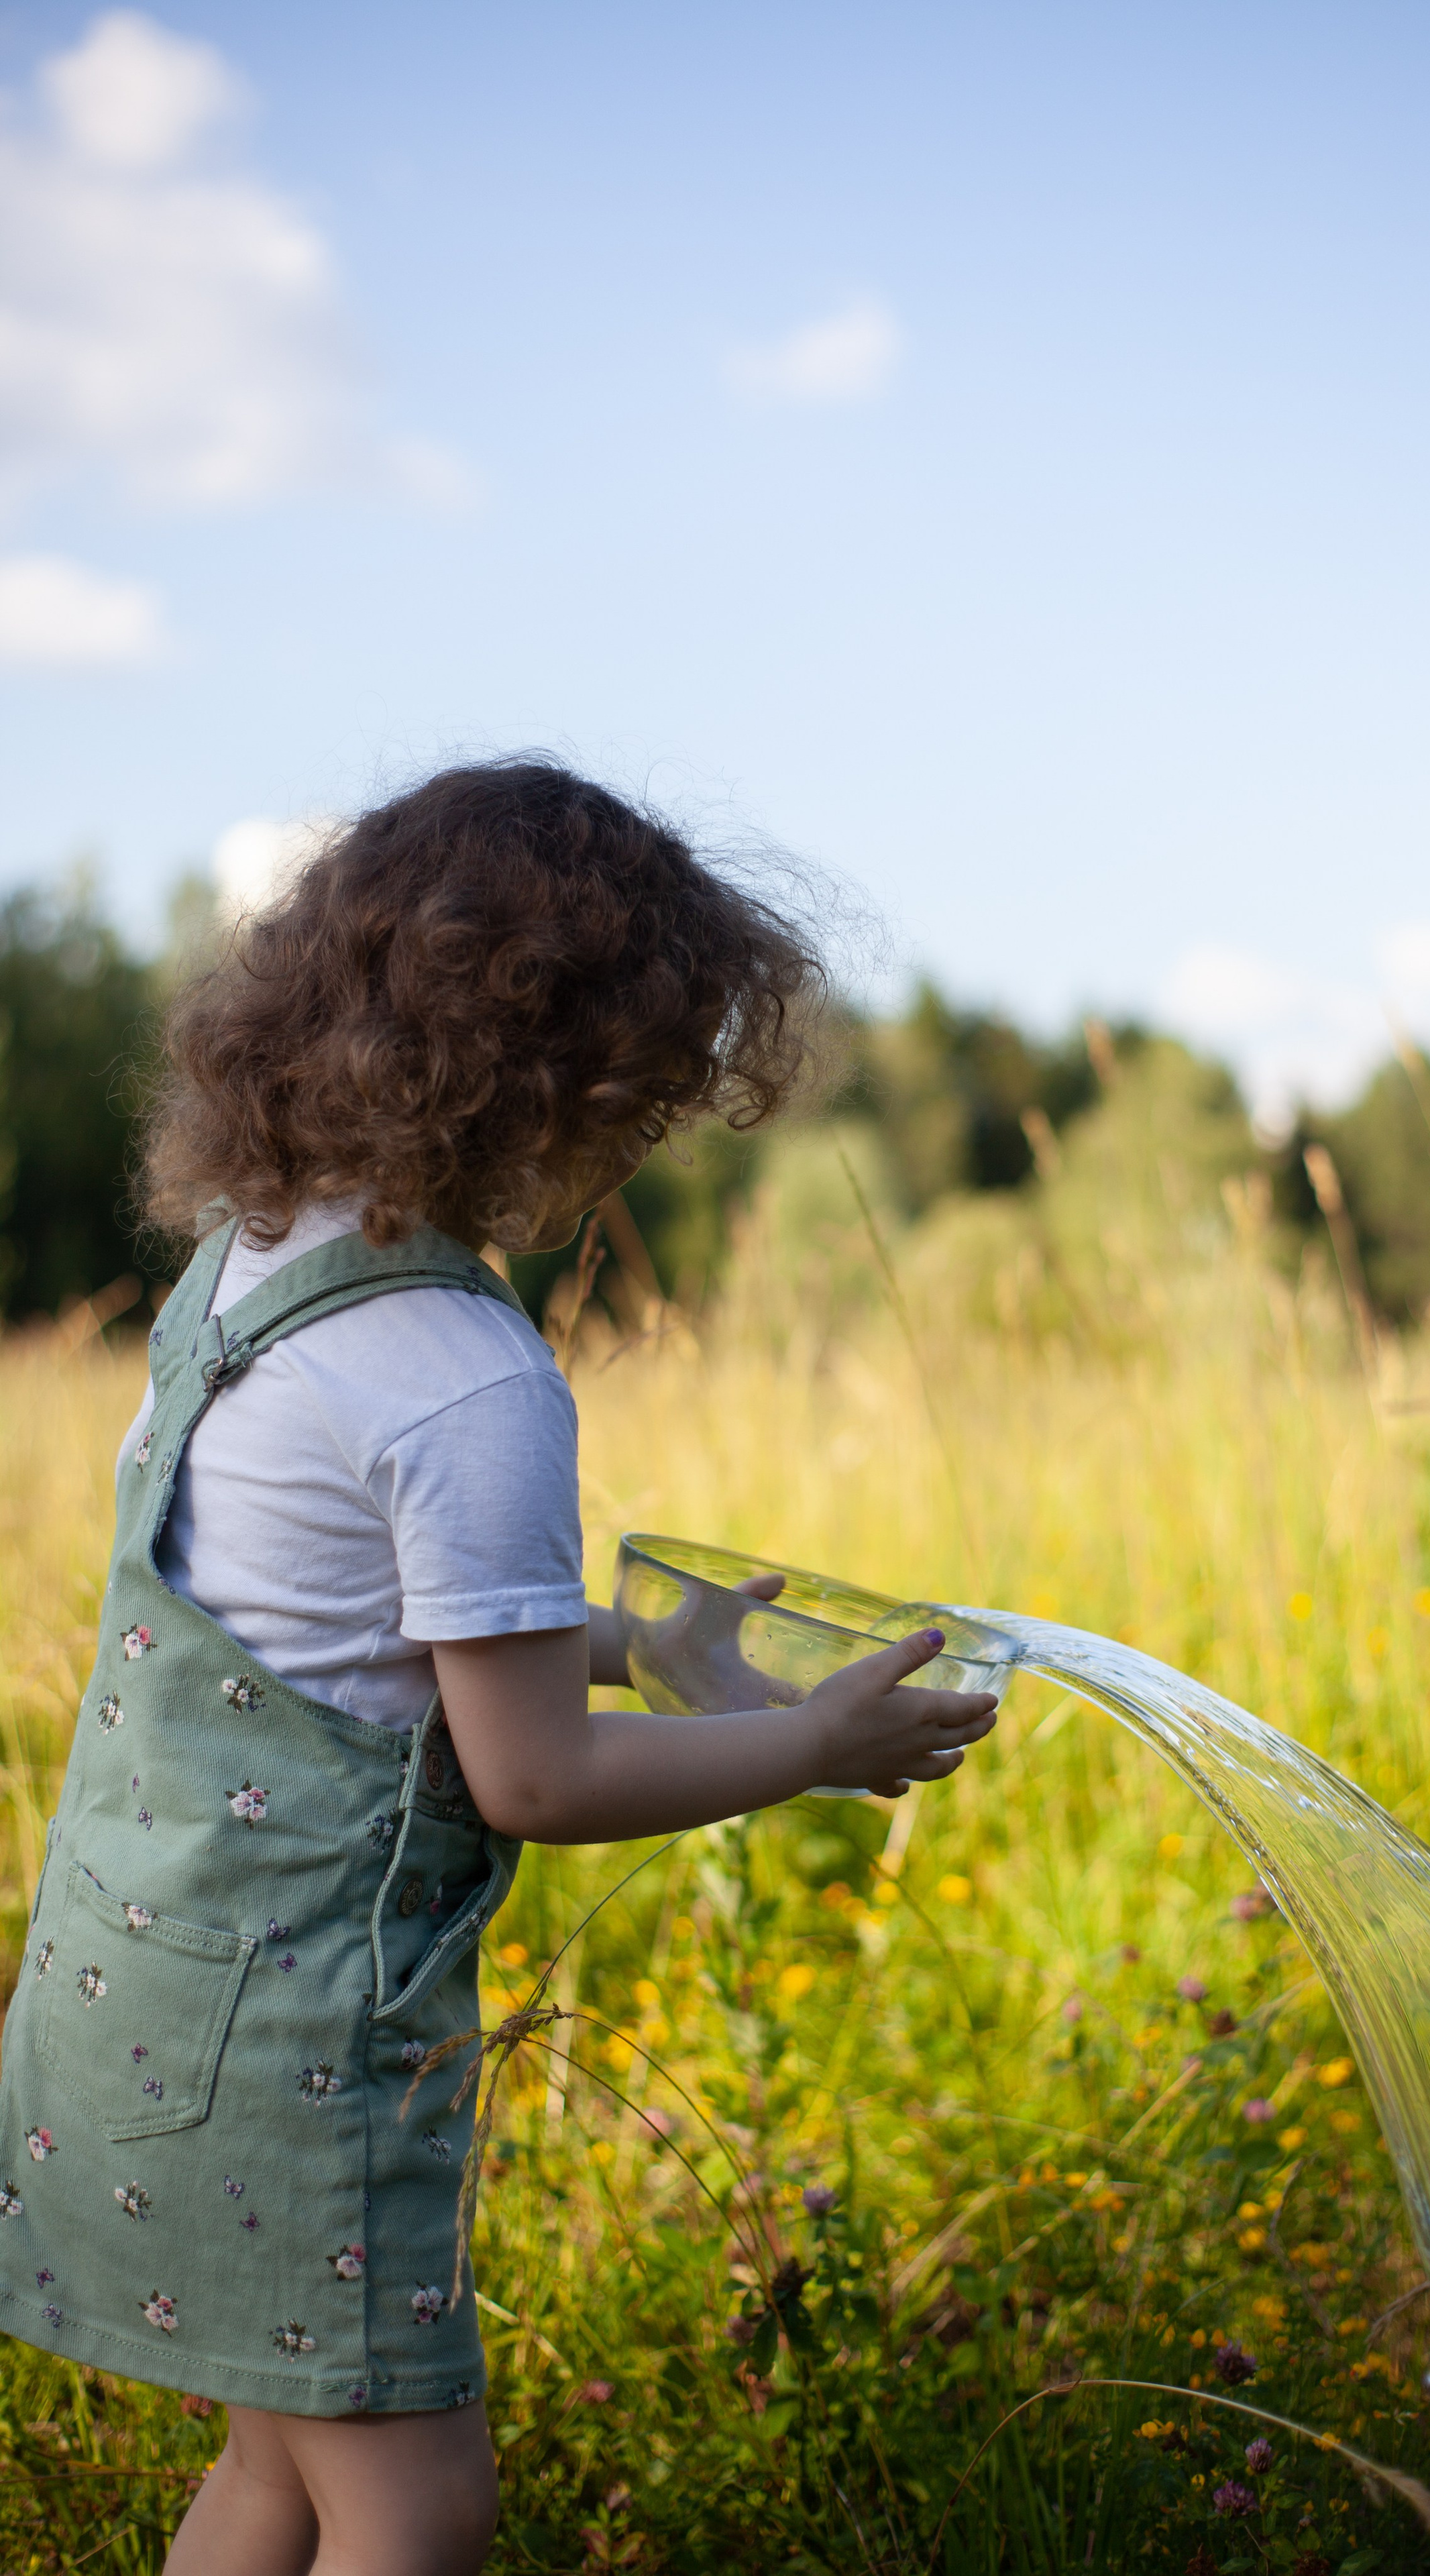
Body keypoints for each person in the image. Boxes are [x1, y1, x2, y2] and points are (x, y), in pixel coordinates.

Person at [0, 763, 997, 2576]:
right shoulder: (465, 1372)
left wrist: (635, 1647)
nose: (644, 1145)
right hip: (297, 2043)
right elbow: (530, 1778)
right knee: (416, 2509)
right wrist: (812, 1745)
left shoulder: (249, 1272)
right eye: (648, 1099)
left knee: (279, 2479)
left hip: (132, 1999)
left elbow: (343, 1626)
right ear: (559, 1084)